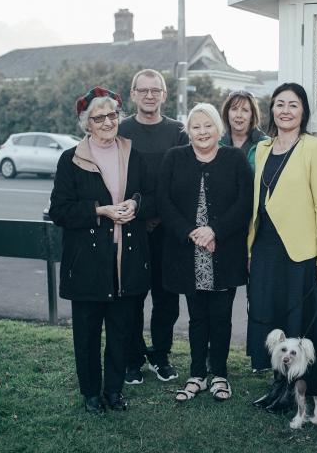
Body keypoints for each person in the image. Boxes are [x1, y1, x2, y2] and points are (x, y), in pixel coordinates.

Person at [49, 86, 153, 413]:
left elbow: (149, 194)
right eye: (99, 117)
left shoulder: (133, 154)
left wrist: (136, 204)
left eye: (112, 115)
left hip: (127, 260)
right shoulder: (71, 159)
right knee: (88, 334)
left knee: (121, 332)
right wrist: (99, 210)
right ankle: (91, 394)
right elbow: (59, 211)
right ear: (86, 123)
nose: (108, 122)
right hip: (88, 264)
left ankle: (114, 391)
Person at [246, 82, 317, 413]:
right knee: (270, 317)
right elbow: (259, 202)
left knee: (297, 319)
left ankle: (298, 389)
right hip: (265, 249)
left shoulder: (315, 148)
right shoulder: (262, 148)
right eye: (279, 104)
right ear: (272, 110)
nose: (285, 110)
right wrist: (249, 249)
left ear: (303, 112)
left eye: (293, 105)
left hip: (300, 252)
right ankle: (277, 383)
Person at [157, 103, 252, 402]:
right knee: (197, 317)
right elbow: (164, 201)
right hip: (188, 253)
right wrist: (192, 232)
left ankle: (220, 374)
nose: (202, 132)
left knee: (222, 316)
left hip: (223, 251)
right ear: (189, 130)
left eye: (207, 125)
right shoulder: (175, 158)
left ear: (218, 129)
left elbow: (245, 203)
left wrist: (214, 231)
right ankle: (196, 373)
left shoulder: (234, 158)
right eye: (196, 126)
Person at [118, 69, 188, 385]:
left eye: (155, 90)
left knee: (166, 299)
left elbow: (182, 182)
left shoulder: (178, 132)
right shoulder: (119, 130)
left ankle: (160, 356)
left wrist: (160, 213)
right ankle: (133, 359)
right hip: (131, 228)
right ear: (133, 94)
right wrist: (139, 211)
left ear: (164, 94)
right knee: (131, 298)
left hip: (168, 229)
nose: (149, 95)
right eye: (143, 90)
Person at [219, 90, 268, 171]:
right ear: (227, 113)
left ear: (252, 115)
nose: (239, 115)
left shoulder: (267, 144)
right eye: (234, 109)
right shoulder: (216, 144)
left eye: (245, 110)